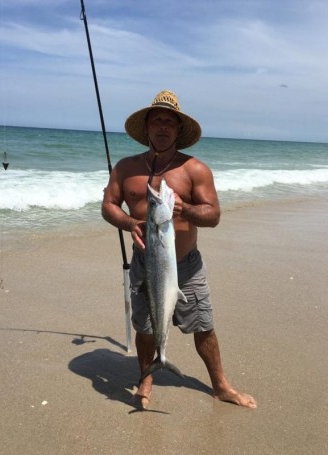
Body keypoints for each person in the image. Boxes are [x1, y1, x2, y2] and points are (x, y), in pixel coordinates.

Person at [102, 90, 257, 409]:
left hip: (186, 265)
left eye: (169, 122)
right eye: (156, 120)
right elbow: (108, 205)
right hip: (145, 262)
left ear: (178, 129)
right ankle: (147, 377)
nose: (162, 126)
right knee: (144, 326)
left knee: (203, 325)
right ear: (146, 127)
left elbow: (213, 214)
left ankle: (221, 385)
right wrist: (130, 223)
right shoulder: (126, 168)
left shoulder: (194, 170)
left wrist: (185, 210)